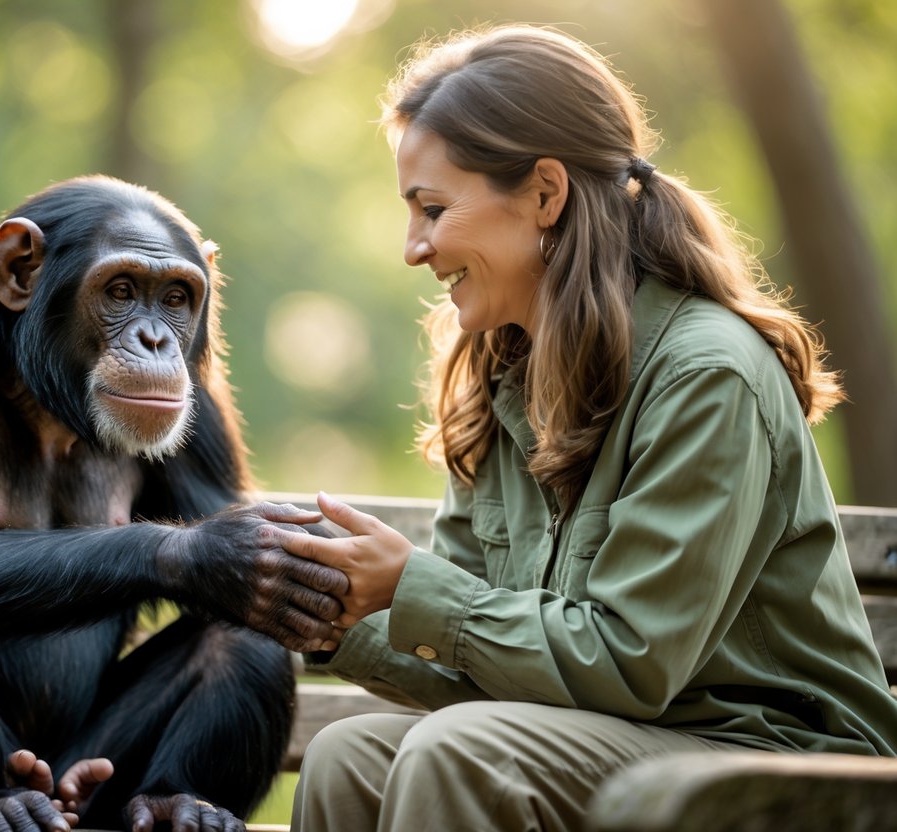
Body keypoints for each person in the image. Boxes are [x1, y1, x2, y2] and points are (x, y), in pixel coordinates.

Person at [256, 23, 897, 832]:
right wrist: (329, 612)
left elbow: (630, 662)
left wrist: (413, 587)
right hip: (624, 733)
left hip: (777, 759)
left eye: (432, 209)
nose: (412, 247)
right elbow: (480, 668)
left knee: (458, 755)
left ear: (545, 194)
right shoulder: (502, 376)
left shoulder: (706, 375)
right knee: (353, 757)